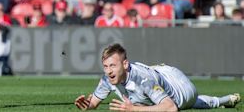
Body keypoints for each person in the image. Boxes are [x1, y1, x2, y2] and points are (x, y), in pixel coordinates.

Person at [74, 43, 241, 111]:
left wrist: (134, 109)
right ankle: (226, 100)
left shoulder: (143, 79)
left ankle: (220, 101)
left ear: (125, 64)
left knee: (187, 103)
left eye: (112, 65)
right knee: (144, 100)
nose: (108, 71)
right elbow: (94, 103)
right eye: (105, 66)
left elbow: (170, 108)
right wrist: (87, 104)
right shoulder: (107, 78)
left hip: (180, 86)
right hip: (156, 75)